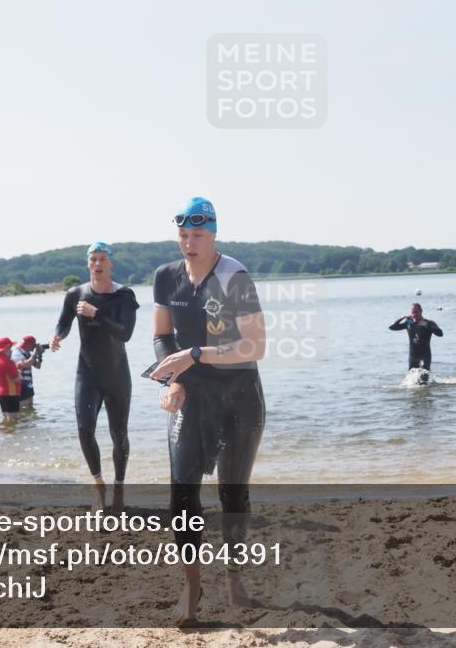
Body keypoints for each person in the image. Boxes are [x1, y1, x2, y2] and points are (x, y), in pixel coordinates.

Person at [148, 197, 266, 625]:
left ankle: (235, 579)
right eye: (183, 235)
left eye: (197, 235)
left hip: (239, 396)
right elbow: (162, 339)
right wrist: (175, 380)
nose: (189, 242)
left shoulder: (234, 276)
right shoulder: (166, 277)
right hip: (192, 399)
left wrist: (194, 354)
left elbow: (256, 346)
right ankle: (192, 585)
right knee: (182, 494)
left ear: (213, 234)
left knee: (232, 494)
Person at [50, 242, 138, 513]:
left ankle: (119, 486)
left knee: (118, 434)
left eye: (102, 259)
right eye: (93, 260)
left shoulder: (124, 295)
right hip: (86, 373)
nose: (97, 264)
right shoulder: (75, 294)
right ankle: (99, 483)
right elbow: (64, 321)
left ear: (110, 264)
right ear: (88, 265)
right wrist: (58, 336)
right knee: (85, 429)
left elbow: (125, 334)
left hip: (117, 375)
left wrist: (96, 313)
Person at [388, 303, 443, 380]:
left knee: (424, 382)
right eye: (412, 312)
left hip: (425, 356)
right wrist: (403, 317)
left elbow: (440, 334)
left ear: (421, 311)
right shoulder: (408, 323)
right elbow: (392, 327)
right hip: (413, 356)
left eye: (416, 312)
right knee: (412, 383)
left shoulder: (429, 323)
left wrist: (428, 326)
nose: (414, 314)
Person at [0, 336, 21, 422]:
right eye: (10, 348)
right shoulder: (8, 362)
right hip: (10, 394)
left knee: (5, 420)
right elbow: (17, 378)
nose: (12, 350)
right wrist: (19, 372)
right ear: (6, 348)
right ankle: (12, 435)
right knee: (13, 421)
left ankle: (4, 435)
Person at [10, 335, 41, 411]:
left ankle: (29, 422)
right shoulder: (17, 353)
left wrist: (39, 354)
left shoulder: (27, 353)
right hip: (21, 385)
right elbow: (25, 364)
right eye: (33, 345)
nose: (34, 347)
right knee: (21, 408)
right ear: (28, 344)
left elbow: (37, 366)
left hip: (29, 384)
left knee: (30, 408)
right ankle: (21, 421)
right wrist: (35, 353)